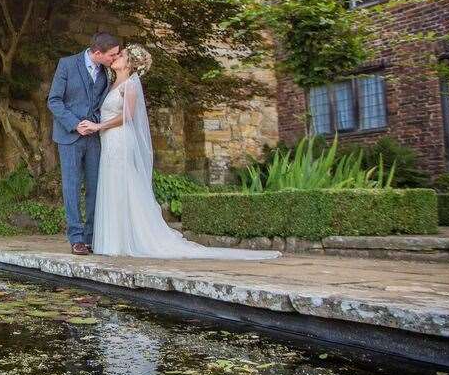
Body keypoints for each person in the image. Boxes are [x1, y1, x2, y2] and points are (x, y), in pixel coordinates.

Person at [90, 45, 280, 260]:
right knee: (113, 185)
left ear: (131, 63)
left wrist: (98, 127)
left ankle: (124, 242)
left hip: (121, 140)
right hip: (110, 142)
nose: (116, 57)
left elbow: (128, 117)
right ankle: (114, 240)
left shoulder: (130, 86)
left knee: (123, 185)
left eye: (121, 55)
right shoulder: (113, 82)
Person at [47, 32, 121, 255]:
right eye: (111, 55)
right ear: (97, 53)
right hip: (69, 136)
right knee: (71, 187)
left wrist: (96, 124)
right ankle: (76, 238)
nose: (114, 58)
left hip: (95, 138)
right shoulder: (67, 65)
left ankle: (90, 237)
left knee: (95, 187)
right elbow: (54, 100)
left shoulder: (107, 73)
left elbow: (102, 105)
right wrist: (75, 123)